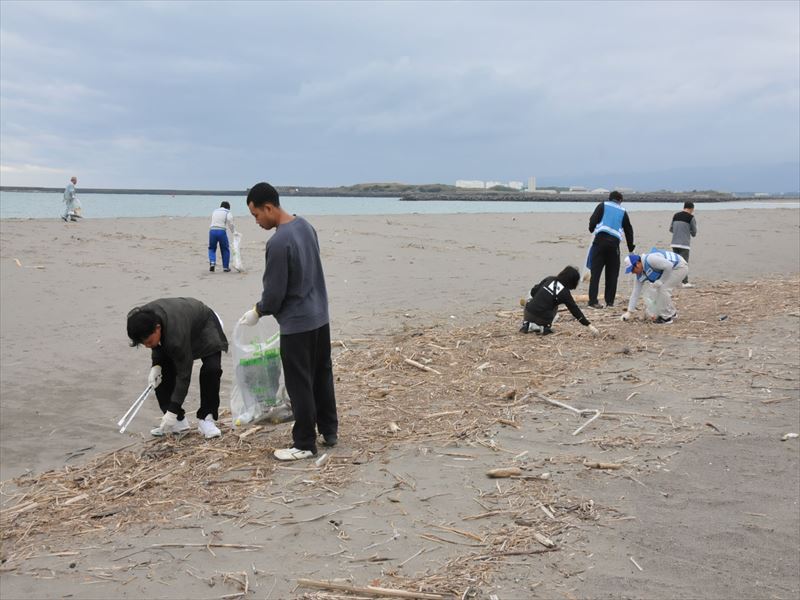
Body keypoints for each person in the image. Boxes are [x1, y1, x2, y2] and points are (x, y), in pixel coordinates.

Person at [239, 182, 338, 461]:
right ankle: (329, 430)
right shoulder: (305, 226)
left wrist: (258, 311)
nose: (256, 221)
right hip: (320, 316)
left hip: (297, 324)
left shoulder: (279, 242)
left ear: (268, 207)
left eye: (256, 215)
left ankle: (305, 443)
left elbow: (274, 293)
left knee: (299, 383)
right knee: (322, 374)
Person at [127, 297, 227, 438]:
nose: (147, 346)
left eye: (148, 342)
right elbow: (157, 346)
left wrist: (172, 409)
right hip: (181, 325)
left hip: (204, 324)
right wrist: (156, 365)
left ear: (158, 328)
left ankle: (207, 419)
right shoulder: (144, 318)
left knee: (212, 369)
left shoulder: (175, 337)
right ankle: (179, 422)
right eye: (144, 344)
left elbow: (184, 374)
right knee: (160, 376)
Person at [587, 190, 635, 309]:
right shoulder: (623, 211)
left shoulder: (602, 205)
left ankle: (593, 301)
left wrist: (591, 228)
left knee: (595, 273)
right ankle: (609, 302)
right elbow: (629, 230)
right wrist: (630, 247)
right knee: (612, 274)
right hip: (614, 245)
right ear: (620, 200)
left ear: (609, 198)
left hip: (599, 242)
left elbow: (593, 220)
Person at [520, 265, 600, 337]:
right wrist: (588, 325)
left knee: (531, 300)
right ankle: (546, 327)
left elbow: (533, 291)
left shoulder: (549, 279)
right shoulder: (565, 293)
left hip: (528, 314)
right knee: (555, 306)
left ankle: (526, 324)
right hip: (543, 319)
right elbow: (575, 310)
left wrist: (543, 295)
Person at [621, 250, 689, 324]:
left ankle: (666, 318)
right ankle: (672, 313)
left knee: (663, 288)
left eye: (632, 269)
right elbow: (635, 293)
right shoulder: (640, 275)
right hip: (672, 269)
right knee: (658, 290)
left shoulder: (650, 259)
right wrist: (629, 312)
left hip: (680, 267)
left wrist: (661, 280)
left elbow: (669, 265)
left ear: (638, 264)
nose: (632, 272)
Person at [669, 201, 697, 287]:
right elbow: (694, 233)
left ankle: (674, 281)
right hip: (684, 244)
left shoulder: (675, 215)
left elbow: (671, 229)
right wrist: (687, 231)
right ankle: (685, 282)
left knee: (675, 263)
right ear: (691, 208)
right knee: (684, 264)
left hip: (674, 243)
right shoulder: (691, 217)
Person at [208, 201, 236, 272]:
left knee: (212, 248)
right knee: (225, 249)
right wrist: (234, 232)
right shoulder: (227, 212)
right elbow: (230, 222)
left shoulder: (215, 211)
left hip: (212, 231)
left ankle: (212, 262)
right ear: (228, 207)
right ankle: (225, 267)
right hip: (221, 231)